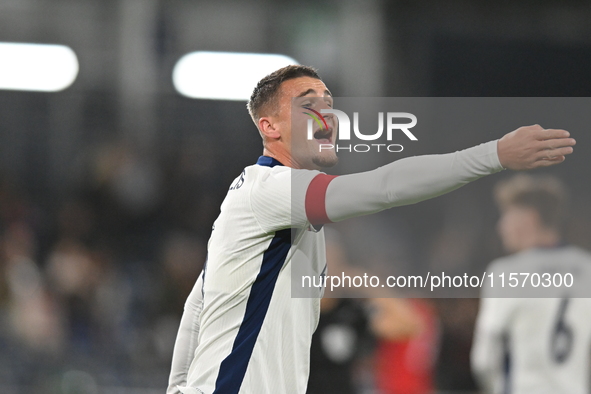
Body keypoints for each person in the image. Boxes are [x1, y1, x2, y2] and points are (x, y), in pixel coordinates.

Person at [167, 65, 575, 394]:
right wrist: (494, 154)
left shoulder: (263, 204)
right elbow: (385, 186)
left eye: (329, 103)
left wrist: (178, 387)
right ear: (270, 127)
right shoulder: (270, 190)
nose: (327, 114)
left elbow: (198, 305)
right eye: (309, 104)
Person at [471, 174, 591, 394]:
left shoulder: (506, 272)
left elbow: (485, 359)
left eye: (506, 216)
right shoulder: (587, 268)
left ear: (528, 218)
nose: (501, 227)